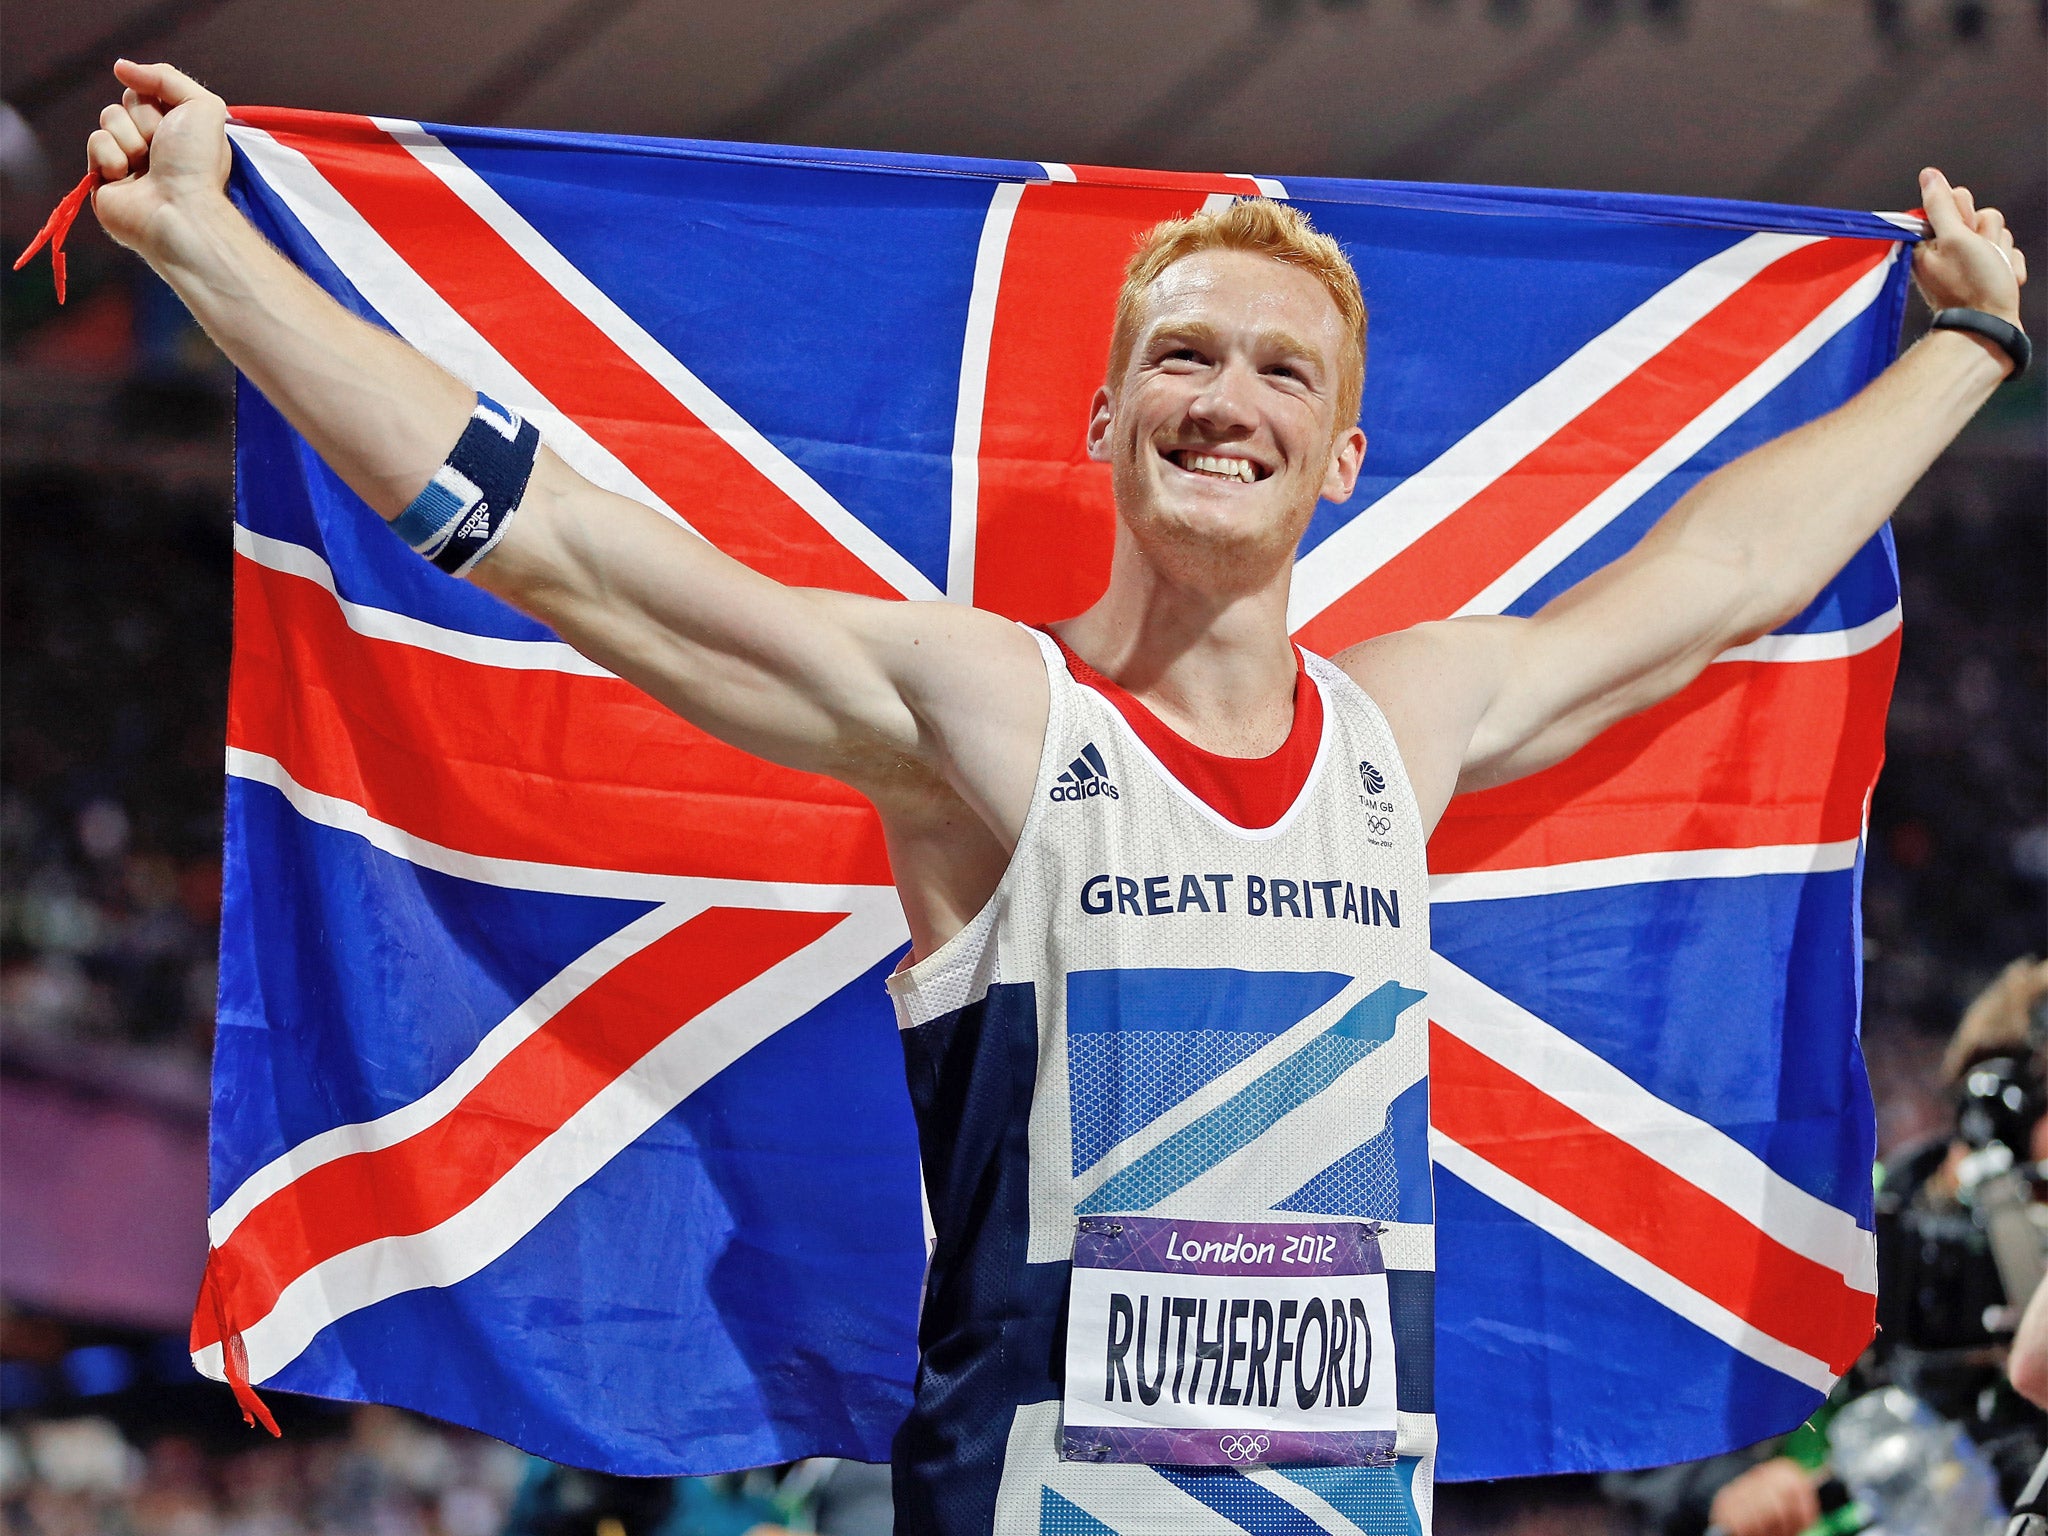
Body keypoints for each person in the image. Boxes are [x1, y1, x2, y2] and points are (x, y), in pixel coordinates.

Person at [78, 58, 2028, 1536]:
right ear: (1102, 425)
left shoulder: (1401, 724)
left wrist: (1965, 347)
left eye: (1281, 372)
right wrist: (204, 246)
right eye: (1181, 356)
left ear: (1340, 455)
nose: (1226, 397)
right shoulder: (982, 711)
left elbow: (1722, 575)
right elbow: (566, 551)